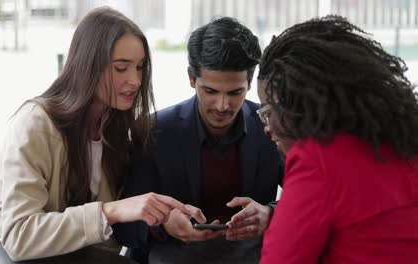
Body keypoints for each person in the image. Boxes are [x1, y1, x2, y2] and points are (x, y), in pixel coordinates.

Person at [0, 7, 190, 261]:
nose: (135, 80)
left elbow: (119, 226)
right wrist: (109, 211)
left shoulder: (114, 127)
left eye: (140, 67)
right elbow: (19, 235)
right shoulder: (35, 124)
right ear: (88, 65)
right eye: (121, 68)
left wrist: (163, 219)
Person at [114, 17, 283, 263]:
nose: (222, 106)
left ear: (250, 83)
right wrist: (163, 224)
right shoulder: (153, 130)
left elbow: (312, 198)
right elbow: (125, 228)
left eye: (235, 92)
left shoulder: (271, 127)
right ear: (192, 78)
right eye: (210, 91)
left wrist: (270, 214)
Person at [257, 15, 418, 263]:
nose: (267, 128)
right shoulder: (405, 141)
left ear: (298, 104)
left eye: (268, 112)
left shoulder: (318, 160)